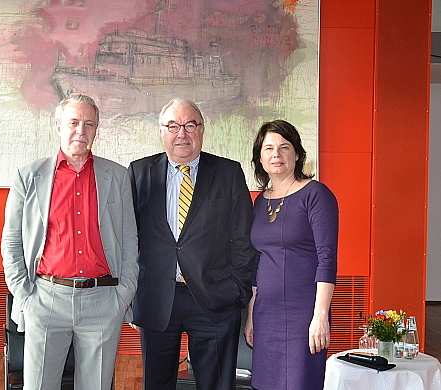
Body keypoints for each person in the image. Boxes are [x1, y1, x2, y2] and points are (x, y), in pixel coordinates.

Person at [1, 93, 139, 390]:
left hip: (103, 300)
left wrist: (123, 294)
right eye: (74, 122)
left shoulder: (117, 176)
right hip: (46, 299)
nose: (81, 130)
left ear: (96, 130)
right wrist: (24, 295)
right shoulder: (29, 176)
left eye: (89, 124)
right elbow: (11, 241)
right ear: (59, 126)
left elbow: (130, 239)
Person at [128, 98, 257, 390]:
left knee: (214, 384)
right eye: (173, 126)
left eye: (189, 125)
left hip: (214, 299)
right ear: (162, 131)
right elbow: (128, 240)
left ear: (202, 129)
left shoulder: (228, 172)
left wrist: (236, 290)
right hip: (157, 298)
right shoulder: (139, 173)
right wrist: (132, 296)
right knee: (157, 383)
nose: (181, 133)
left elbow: (244, 240)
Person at [245, 119, 338, 390]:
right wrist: (252, 313)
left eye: (284, 147)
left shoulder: (316, 194)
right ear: (260, 158)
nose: (276, 154)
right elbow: (257, 259)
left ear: (297, 154)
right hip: (266, 313)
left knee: (300, 383)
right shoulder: (260, 201)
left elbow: (327, 258)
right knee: (264, 384)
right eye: (269, 148)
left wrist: (320, 316)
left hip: (303, 315)